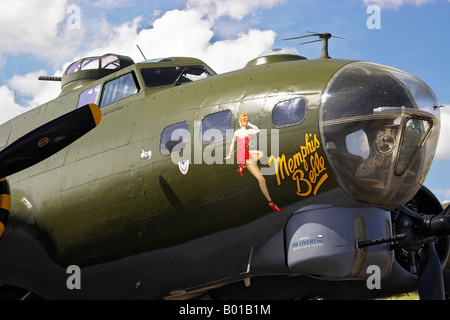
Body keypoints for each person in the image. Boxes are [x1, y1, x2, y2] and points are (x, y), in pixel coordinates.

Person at [226, 113, 283, 212]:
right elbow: (258, 130)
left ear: (240, 122)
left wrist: (229, 155)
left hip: (242, 154)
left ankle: (244, 165)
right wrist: (250, 124)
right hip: (244, 156)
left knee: (259, 154)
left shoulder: (237, 132)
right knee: (262, 180)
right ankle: (270, 202)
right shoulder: (247, 132)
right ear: (245, 122)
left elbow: (232, 143)